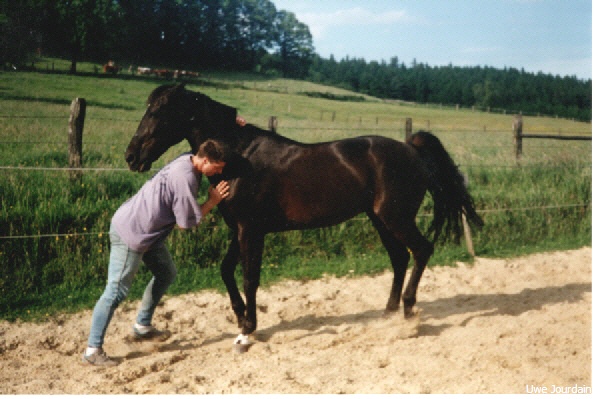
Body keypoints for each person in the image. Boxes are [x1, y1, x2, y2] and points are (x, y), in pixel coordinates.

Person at [83, 139, 231, 367]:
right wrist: (212, 201)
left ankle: (142, 327)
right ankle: (93, 350)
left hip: (149, 233)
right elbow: (185, 225)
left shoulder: (187, 157)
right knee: (116, 291)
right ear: (204, 160)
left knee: (166, 273)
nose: (220, 171)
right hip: (132, 233)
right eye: (218, 166)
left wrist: (234, 120)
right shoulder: (186, 178)